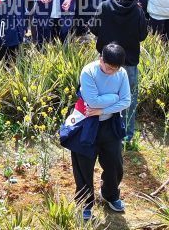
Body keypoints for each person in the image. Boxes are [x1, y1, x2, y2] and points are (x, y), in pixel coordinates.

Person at [62, 43, 130, 220]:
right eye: (109, 67)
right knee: (83, 167)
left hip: (109, 123)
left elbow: (126, 101)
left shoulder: (121, 73)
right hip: (86, 123)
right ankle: (85, 203)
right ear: (101, 59)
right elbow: (92, 102)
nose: (112, 71)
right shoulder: (88, 72)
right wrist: (114, 98)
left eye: (116, 68)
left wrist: (103, 110)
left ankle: (110, 194)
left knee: (115, 163)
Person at [89, 0, 147, 145]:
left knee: (101, 96)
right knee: (128, 99)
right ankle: (127, 135)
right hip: (128, 63)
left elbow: (93, 28)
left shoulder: (105, 6)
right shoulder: (137, 10)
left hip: (105, 62)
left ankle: (100, 130)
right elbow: (142, 35)